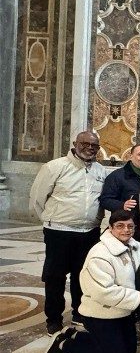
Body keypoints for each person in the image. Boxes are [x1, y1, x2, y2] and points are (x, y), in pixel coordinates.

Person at [43, 210, 140, 353]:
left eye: (130, 226)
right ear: (110, 228)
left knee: (129, 352)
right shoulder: (100, 254)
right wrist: (138, 298)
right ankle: (63, 346)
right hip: (101, 313)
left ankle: (72, 334)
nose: (126, 230)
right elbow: (103, 292)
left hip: (122, 311)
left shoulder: (135, 246)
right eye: (120, 226)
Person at [29, 131, 107, 334]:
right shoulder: (55, 167)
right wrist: (52, 220)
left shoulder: (99, 170)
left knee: (83, 275)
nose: (90, 148)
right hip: (59, 231)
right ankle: (53, 318)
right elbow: (38, 199)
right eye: (86, 143)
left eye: (94, 145)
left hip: (89, 232)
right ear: (75, 144)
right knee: (55, 276)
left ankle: (79, 313)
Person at [101, 144, 140, 213]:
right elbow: (105, 200)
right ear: (131, 156)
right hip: (127, 221)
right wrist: (122, 205)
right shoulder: (117, 176)